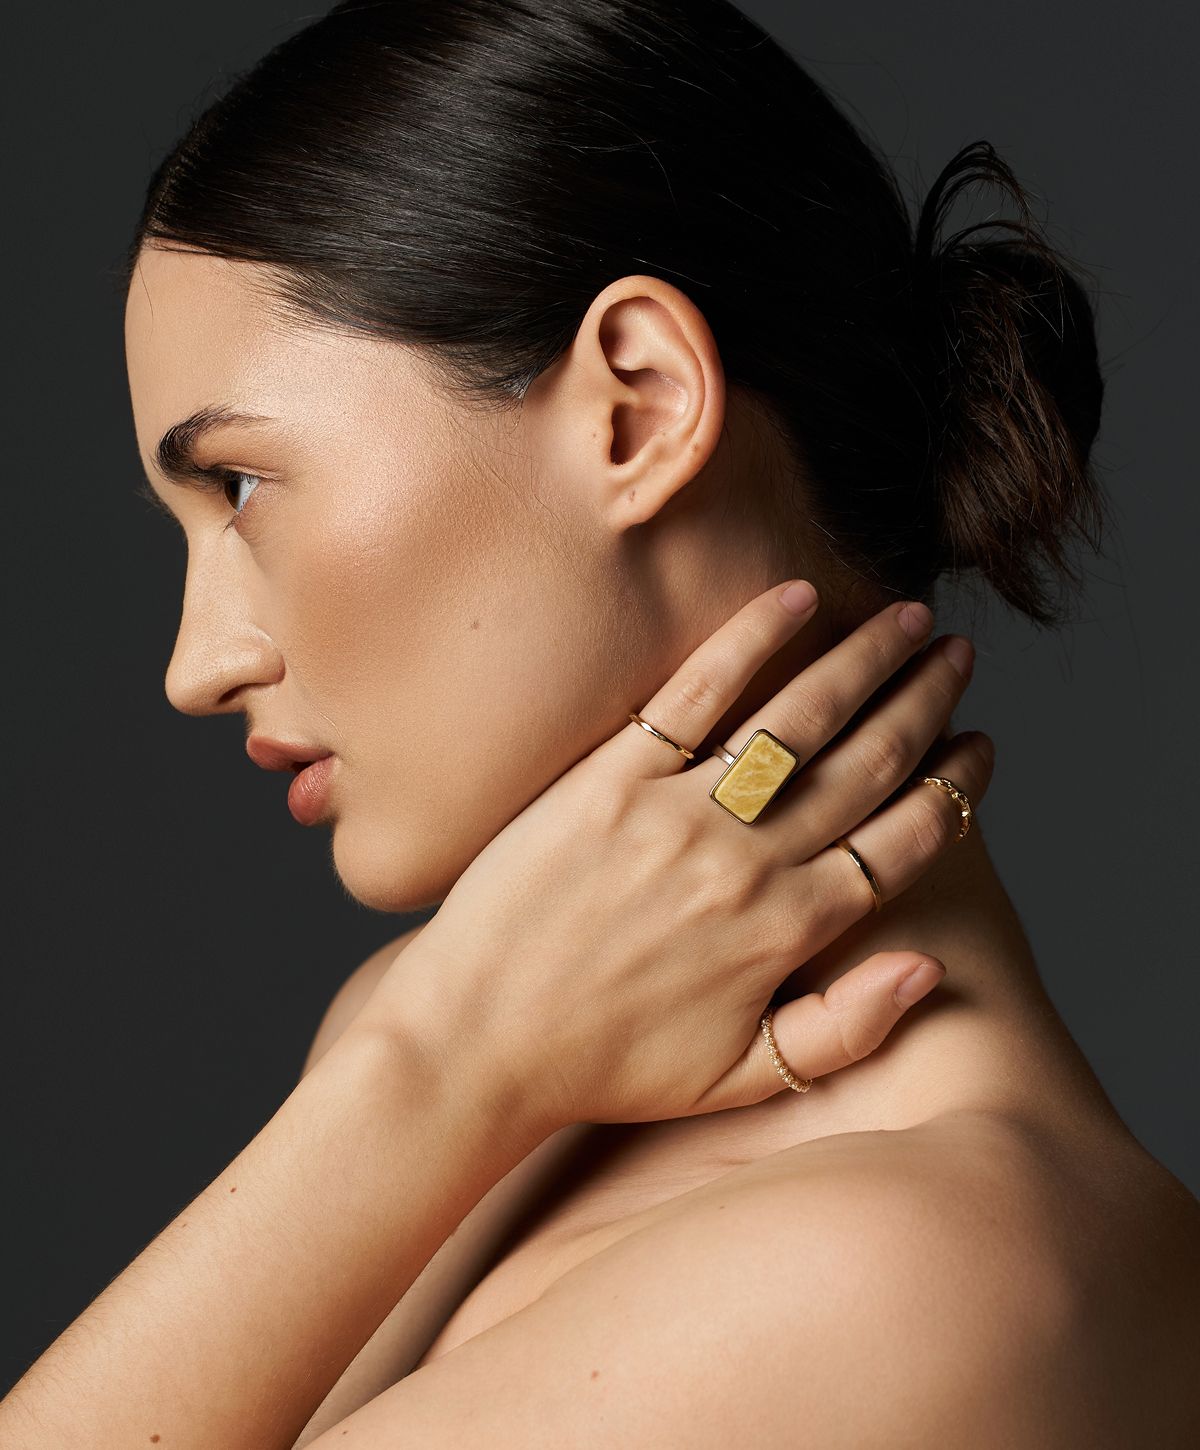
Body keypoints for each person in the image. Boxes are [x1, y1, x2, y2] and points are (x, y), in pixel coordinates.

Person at [4, 1, 1197, 1446]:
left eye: (243, 490)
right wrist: (443, 1063)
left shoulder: (920, 1272)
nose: (196, 664)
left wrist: (443, 1070)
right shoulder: (451, 1034)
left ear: (635, 405)